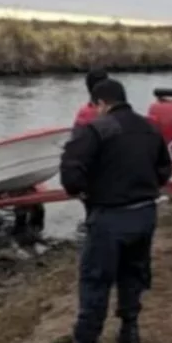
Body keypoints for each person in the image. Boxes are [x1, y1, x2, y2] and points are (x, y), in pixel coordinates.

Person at [52, 78, 172, 343]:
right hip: (145, 213)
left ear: (101, 104)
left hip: (110, 217)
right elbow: (165, 170)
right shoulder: (149, 127)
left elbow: (70, 170)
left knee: (95, 280)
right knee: (134, 274)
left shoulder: (96, 129)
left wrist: (83, 192)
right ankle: (129, 332)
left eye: (95, 107)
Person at [71, 69, 108, 234]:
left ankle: (91, 225)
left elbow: (75, 141)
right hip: (107, 167)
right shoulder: (111, 112)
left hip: (87, 169)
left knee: (91, 206)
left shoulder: (84, 112)